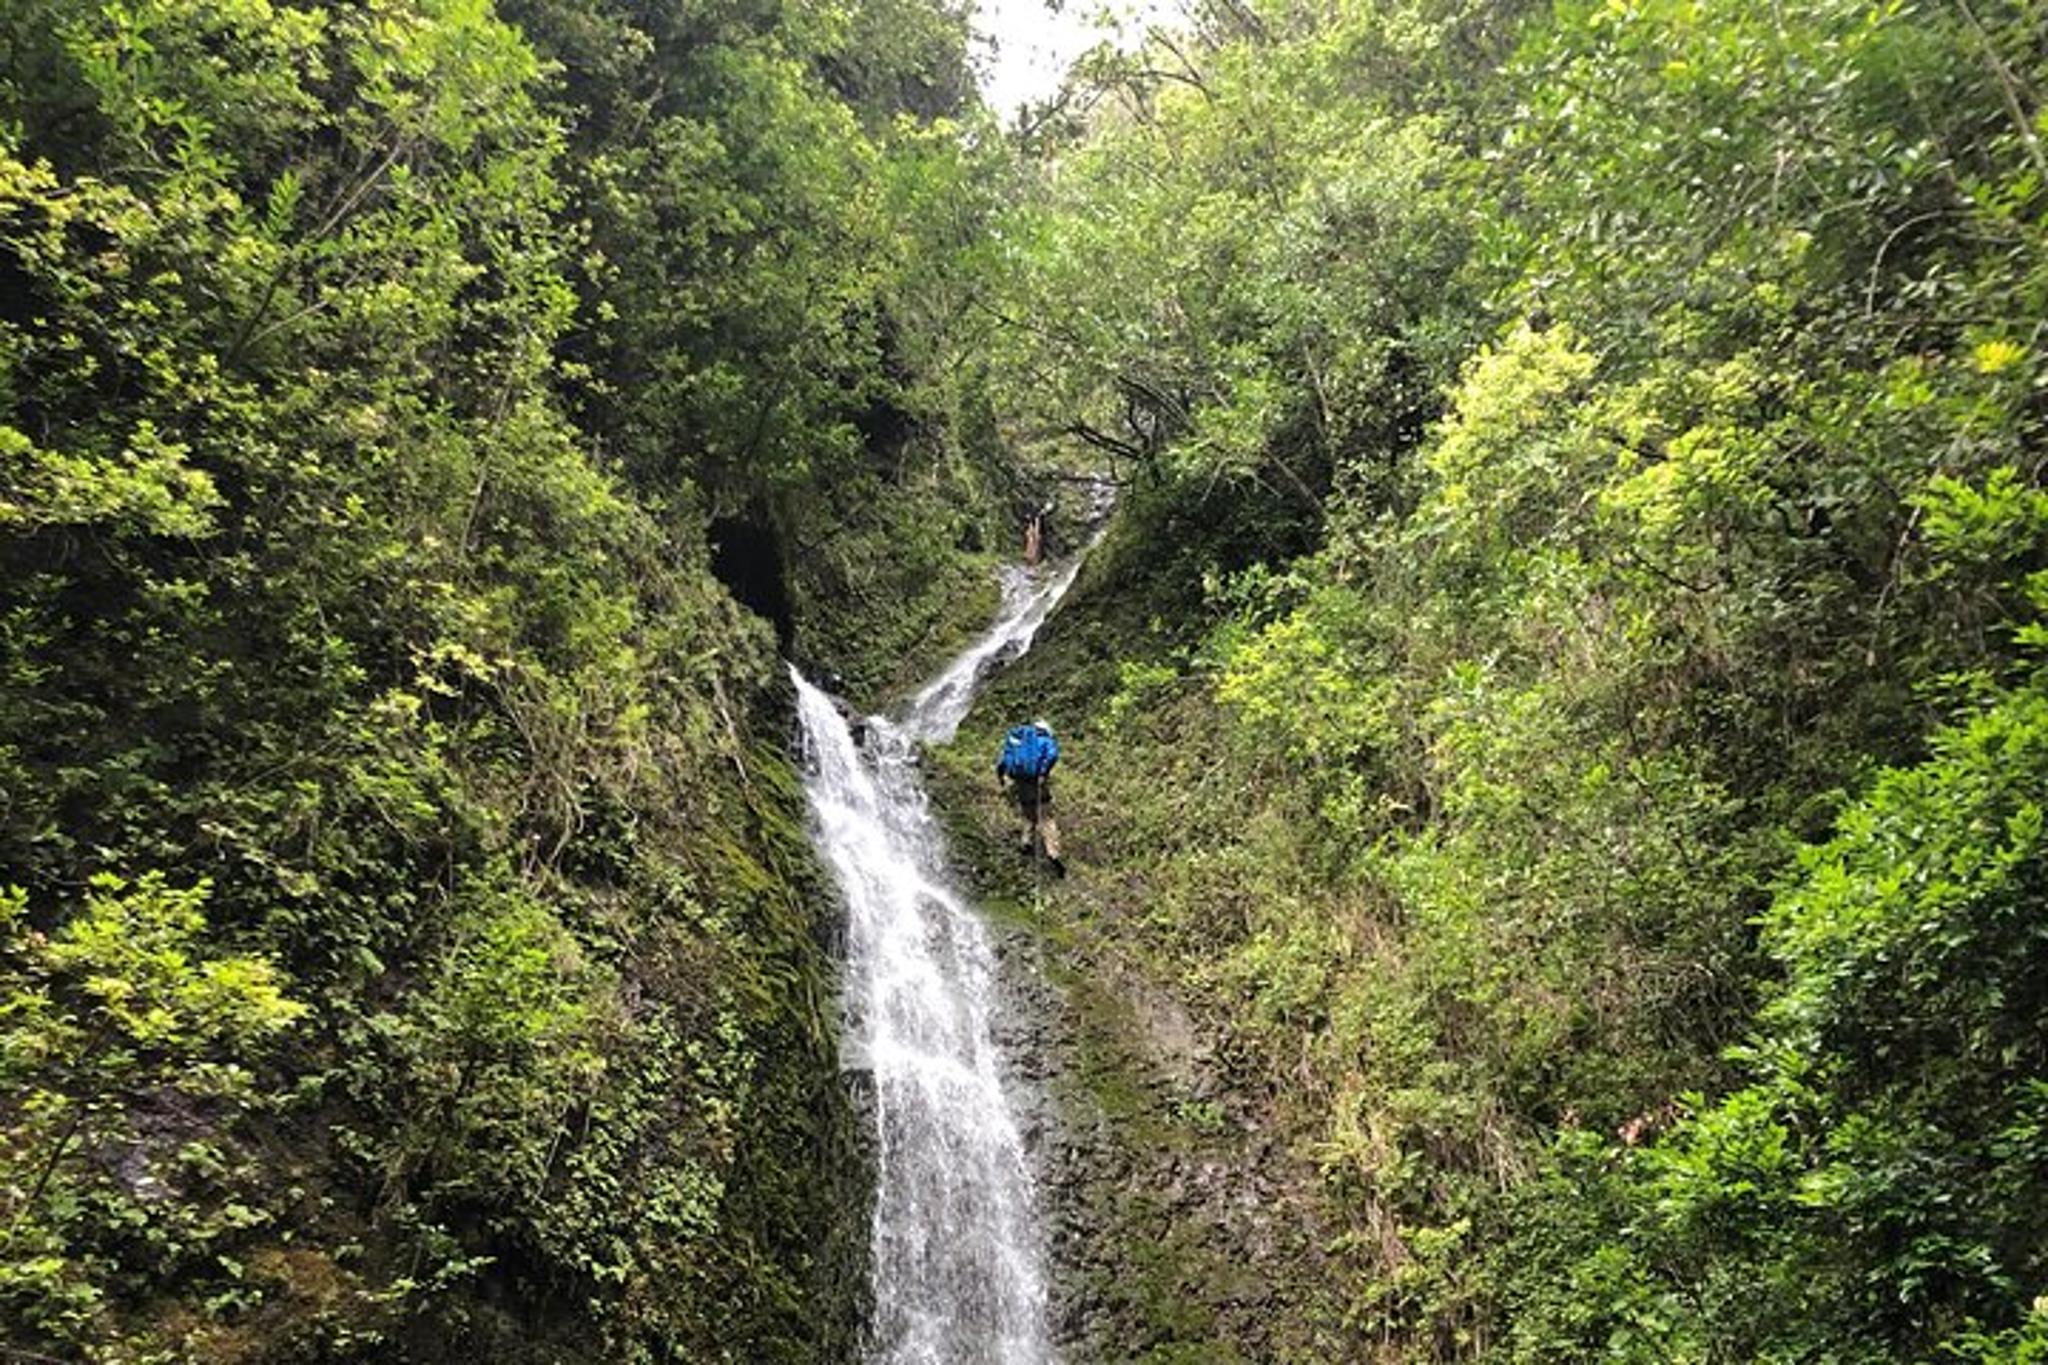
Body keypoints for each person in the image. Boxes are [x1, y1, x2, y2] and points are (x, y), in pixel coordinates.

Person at [995, 719, 1064, 876]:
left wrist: (1001, 778)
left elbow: (1002, 760)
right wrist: (1043, 773)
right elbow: (1053, 755)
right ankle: (1053, 853)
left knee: (1028, 814)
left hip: (1021, 783)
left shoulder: (1018, 739)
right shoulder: (1045, 740)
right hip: (1037, 783)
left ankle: (1026, 842)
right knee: (1046, 818)